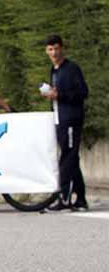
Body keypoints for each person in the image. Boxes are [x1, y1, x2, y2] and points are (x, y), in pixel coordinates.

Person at [42, 34, 89, 210]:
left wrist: (59, 95)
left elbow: (83, 92)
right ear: (46, 51)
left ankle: (63, 197)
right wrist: (51, 94)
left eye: (56, 48)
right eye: (50, 49)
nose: (54, 52)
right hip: (59, 118)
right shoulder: (54, 70)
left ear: (62, 48)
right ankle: (81, 199)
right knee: (71, 157)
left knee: (67, 157)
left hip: (71, 119)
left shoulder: (71, 69)